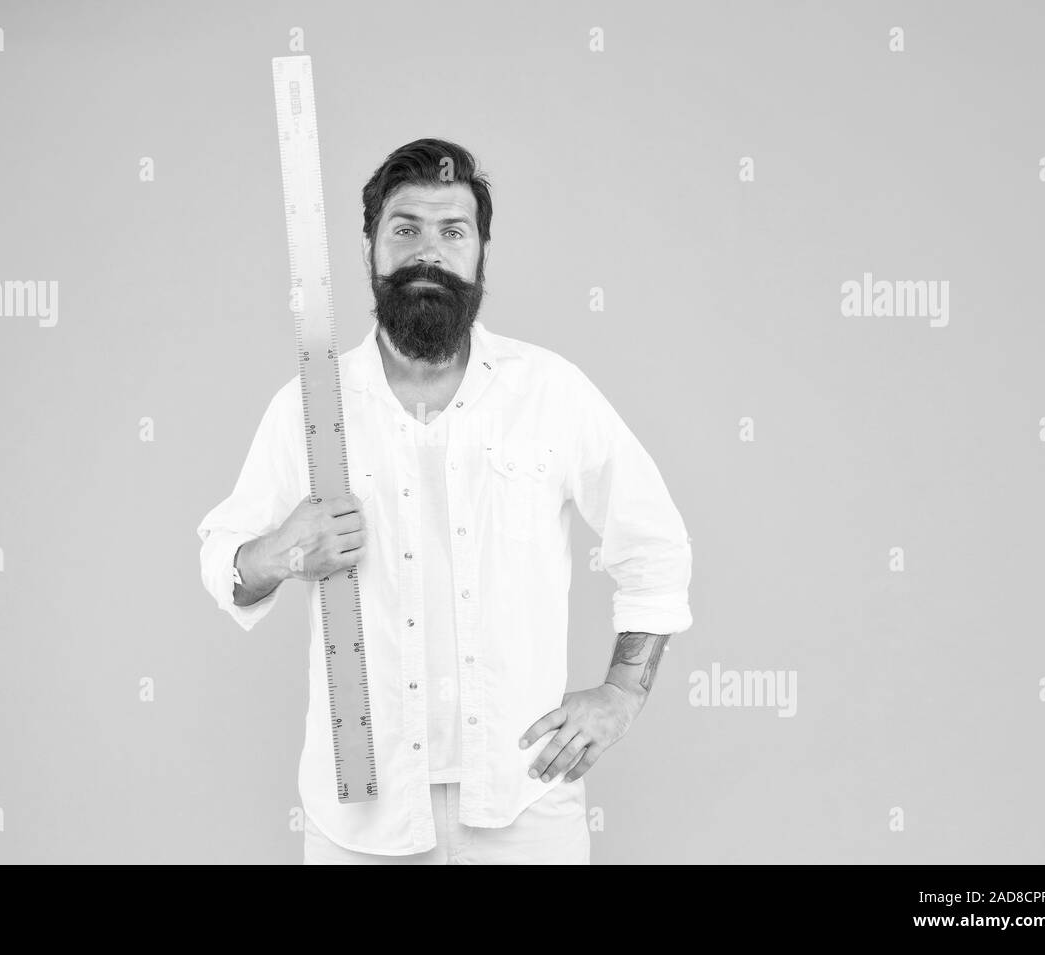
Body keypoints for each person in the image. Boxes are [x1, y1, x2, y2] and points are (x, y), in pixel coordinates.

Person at [197, 139, 693, 864]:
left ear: (481, 251)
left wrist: (622, 692)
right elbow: (223, 561)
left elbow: (656, 547)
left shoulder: (548, 392)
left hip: (526, 803)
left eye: (452, 231)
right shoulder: (313, 405)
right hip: (359, 819)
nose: (428, 251)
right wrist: (277, 552)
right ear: (370, 248)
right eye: (405, 229)